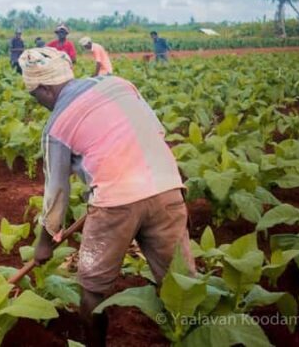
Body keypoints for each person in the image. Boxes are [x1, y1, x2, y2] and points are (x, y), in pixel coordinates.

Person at [19, 47, 194, 347]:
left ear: (45, 89)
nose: (40, 104)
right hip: (168, 188)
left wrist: (44, 244)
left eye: (36, 97)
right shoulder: (119, 84)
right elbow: (156, 130)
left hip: (115, 203)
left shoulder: (56, 125)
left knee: (92, 289)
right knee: (182, 284)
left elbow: (57, 192)